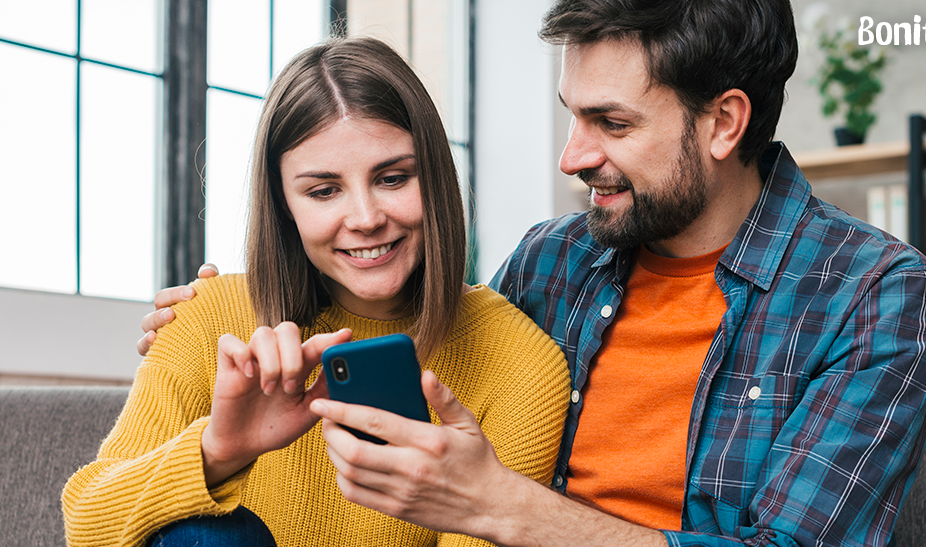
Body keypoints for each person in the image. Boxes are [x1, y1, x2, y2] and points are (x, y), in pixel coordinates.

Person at [143, 1, 926, 545]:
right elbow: (431, 336)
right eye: (573, 114)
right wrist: (229, 308)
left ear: (723, 122)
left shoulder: (875, 296)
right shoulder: (553, 259)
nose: (573, 156)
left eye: (611, 122)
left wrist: (503, 504)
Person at [63, 36, 570, 547]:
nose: (367, 219)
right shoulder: (212, 318)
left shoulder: (520, 365)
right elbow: (86, 522)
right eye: (324, 191)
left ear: (434, 179)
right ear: (284, 205)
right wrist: (220, 450)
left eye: (393, 178)